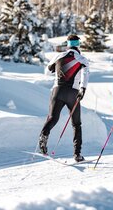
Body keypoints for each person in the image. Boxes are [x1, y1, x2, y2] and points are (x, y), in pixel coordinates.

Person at [38, 34, 90, 162]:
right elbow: (85, 74)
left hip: (57, 91)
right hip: (73, 92)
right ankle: (77, 154)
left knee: (53, 118)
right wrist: (83, 89)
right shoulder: (82, 59)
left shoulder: (58, 56)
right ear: (78, 45)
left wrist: (59, 69)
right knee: (76, 124)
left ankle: (44, 135)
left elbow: (48, 70)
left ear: (67, 44)